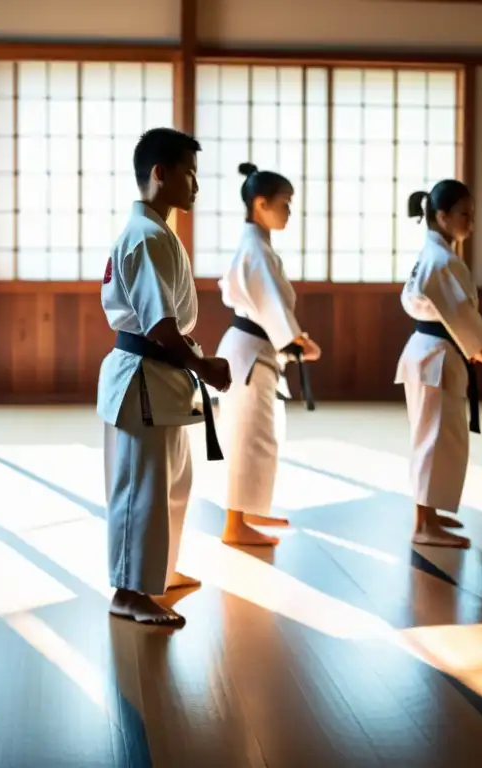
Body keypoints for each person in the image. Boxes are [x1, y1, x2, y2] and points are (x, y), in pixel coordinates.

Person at [97, 127, 232, 629]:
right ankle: (129, 593)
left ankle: (156, 575)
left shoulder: (156, 232)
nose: (196, 185)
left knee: (172, 485)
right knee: (142, 490)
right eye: (190, 173)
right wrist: (207, 367)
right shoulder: (148, 236)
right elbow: (159, 325)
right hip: (143, 378)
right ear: (161, 173)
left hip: (158, 379)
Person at [214, 162, 321, 548]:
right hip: (251, 353)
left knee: (263, 435)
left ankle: (251, 508)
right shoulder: (256, 251)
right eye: (285, 203)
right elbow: (272, 307)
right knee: (247, 438)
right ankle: (234, 525)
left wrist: (292, 340)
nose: (289, 211)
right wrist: (295, 343)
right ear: (260, 204)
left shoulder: (258, 248)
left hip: (256, 350)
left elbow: (269, 307)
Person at [395, 180, 482, 549]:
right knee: (433, 439)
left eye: (472, 214)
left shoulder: (436, 255)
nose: (471, 222)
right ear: (441, 216)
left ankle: (431, 514)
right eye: (464, 214)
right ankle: (423, 524)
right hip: (436, 355)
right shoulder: (441, 261)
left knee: (438, 439)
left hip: (433, 352)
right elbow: (459, 313)